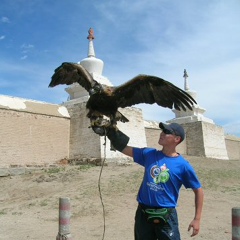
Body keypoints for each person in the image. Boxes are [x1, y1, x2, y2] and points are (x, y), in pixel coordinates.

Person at [93, 122, 204, 240]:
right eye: (162, 131)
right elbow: (124, 148)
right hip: (143, 213)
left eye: (166, 132)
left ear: (177, 139)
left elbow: (199, 190)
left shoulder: (183, 165)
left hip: (167, 216)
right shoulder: (149, 154)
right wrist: (111, 132)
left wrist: (197, 219)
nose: (161, 133)